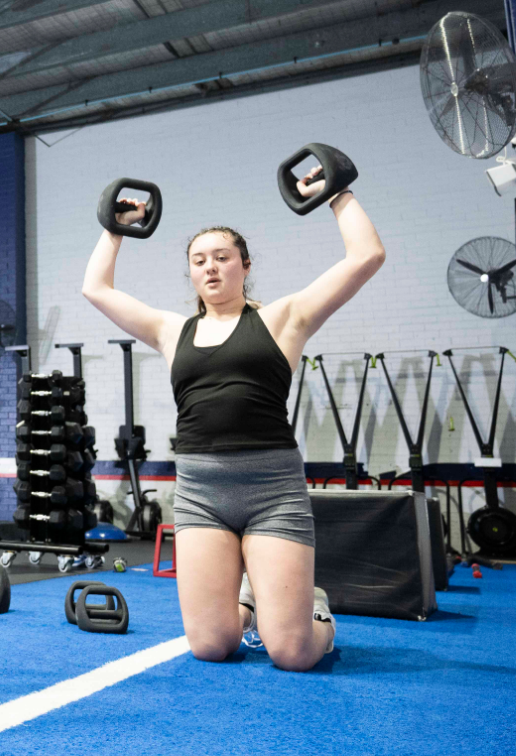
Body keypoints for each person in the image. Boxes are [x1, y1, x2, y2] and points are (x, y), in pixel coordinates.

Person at [80, 171, 384, 672]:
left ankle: (316, 610)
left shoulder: (283, 319)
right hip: (201, 493)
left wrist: (337, 194)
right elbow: (96, 288)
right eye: (199, 261)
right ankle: (248, 603)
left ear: (245, 265)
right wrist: (115, 229)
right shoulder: (170, 330)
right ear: (192, 275)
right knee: (212, 646)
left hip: (273, 491)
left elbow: (366, 257)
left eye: (222, 257)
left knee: (292, 653)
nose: (211, 267)